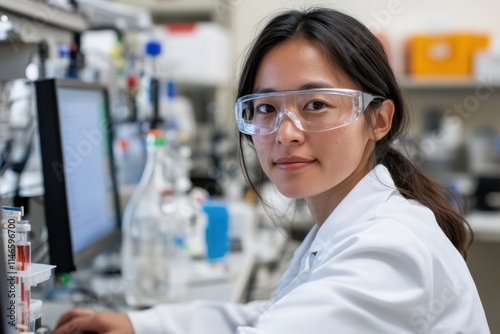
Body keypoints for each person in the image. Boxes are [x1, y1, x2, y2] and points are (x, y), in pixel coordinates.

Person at [52, 7, 490, 334]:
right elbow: (275, 315)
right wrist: (137, 324)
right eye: (264, 108)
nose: (285, 133)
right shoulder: (347, 222)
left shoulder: (389, 250)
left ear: (378, 120)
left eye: (315, 105)